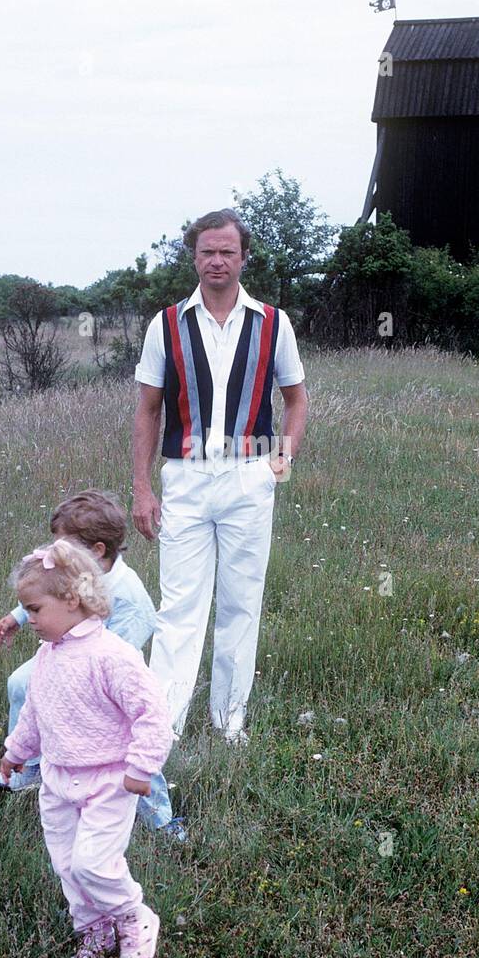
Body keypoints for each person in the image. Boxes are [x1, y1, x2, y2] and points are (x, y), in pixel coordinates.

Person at [132, 208, 308, 743]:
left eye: (226, 252)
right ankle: (165, 728)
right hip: (184, 479)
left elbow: (296, 399)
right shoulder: (166, 324)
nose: (216, 261)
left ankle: (230, 722)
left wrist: (282, 459)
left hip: (248, 479)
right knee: (179, 608)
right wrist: (142, 487)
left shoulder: (273, 323)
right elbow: (147, 410)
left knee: (240, 604)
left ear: (243, 257)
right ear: (194, 256)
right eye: (207, 251)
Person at [0, 537, 174, 958]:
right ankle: (94, 931)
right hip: (57, 781)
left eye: (35, 609)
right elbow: (36, 711)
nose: (30, 619)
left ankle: (134, 916)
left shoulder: (112, 656)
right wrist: (15, 752)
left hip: (108, 781)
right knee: (68, 867)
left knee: (94, 863)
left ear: (72, 599)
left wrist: (141, 768)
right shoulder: (47, 656)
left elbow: (152, 713)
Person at [0, 489, 184, 840]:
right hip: (63, 652)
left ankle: (160, 819)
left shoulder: (129, 597)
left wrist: (78, 684)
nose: (53, 554)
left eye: (63, 547)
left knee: (127, 740)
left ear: (97, 551)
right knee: (23, 685)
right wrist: (18, 617)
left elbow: (119, 658)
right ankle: (28, 763)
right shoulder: (69, 572)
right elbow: (46, 591)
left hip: (105, 678)